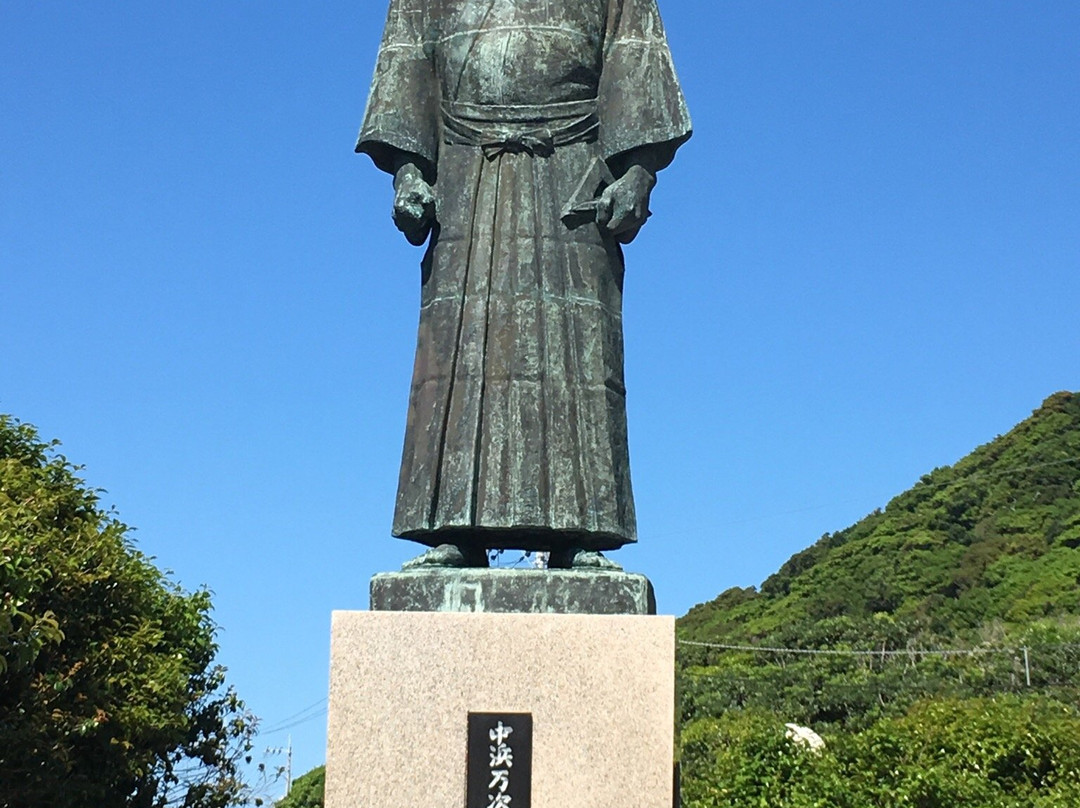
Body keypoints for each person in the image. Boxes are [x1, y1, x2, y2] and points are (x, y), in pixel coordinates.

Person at [357, 0, 691, 568]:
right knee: (460, 357)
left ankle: (581, 532)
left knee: (578, 359)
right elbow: (406, 69)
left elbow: (638, 67)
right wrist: (409, 174)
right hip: (466, 176)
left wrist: (638, 173)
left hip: (575, 174)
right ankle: (452, 529)